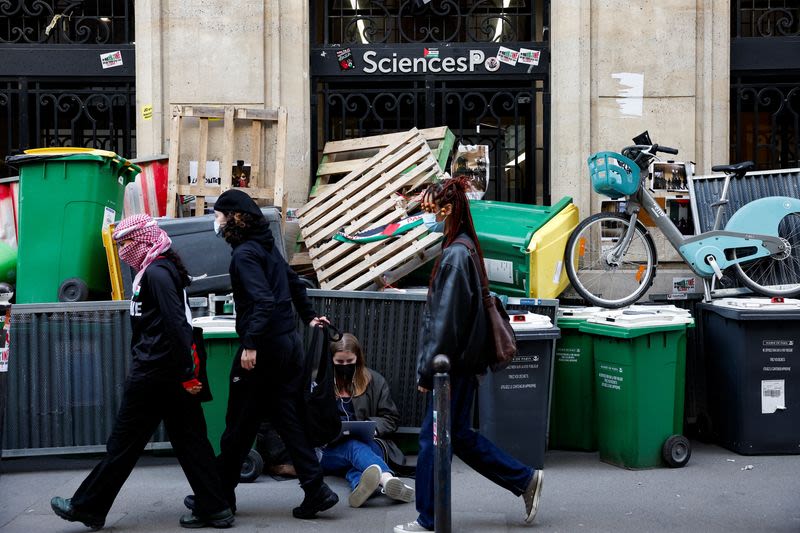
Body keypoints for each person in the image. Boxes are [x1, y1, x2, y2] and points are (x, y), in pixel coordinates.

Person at [50, 214, 235, 530]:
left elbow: (177, 325)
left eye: (127, 243)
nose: (124, 250)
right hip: (166, 372)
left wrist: (188, 374)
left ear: (145, 240)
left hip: (156, 374)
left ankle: (88, 506)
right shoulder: (154, 270)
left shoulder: (158, 273)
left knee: (124, 444)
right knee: (191, 441)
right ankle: (215, 506)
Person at [394, 177, 544, 533]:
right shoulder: (464, 249)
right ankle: (524, 480)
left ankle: (428, 519)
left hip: (451, 367)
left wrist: (427, 373)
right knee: (456, 435)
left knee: (432, 440)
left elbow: (444, 323)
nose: (426, 215)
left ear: (447, 210)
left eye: (430, 209)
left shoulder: (455, 255)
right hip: (461, 363)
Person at [189, 189, 338, 519]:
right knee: (289, 419)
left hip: (264, 349)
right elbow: (295, 284)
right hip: (288, 346)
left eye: (218, 215)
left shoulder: (244, 255)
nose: (215, 221)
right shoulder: (266, 249)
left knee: (238, 423)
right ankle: (316, 489)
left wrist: (251, 343)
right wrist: (309, 316)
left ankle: (219, 498)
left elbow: (263, 301)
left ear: (234, 218)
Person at [320, 332, 415, 508]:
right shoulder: (320, 382)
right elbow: (308, 421)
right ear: (331, 360)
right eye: (339, 362)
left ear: (358, 358)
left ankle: (362, 487)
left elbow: (391, 418)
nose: (345, 366)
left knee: (361, 460)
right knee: (353, 447)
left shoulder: (374, 381)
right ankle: (388, 480)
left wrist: (371, 427)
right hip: (330, 450)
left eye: (350, 361)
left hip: (371, 443)